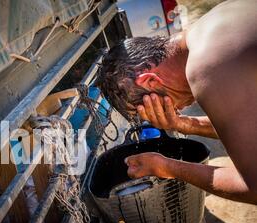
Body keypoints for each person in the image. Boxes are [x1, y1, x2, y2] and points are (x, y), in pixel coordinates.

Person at [97, 0, 257, 204]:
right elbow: (247, 128)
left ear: (150, 81)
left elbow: (253, 187)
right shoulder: (206, 31)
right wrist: (185, 124)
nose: (169, 111)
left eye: (149, 107)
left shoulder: (205, 67)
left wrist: (166, 167)